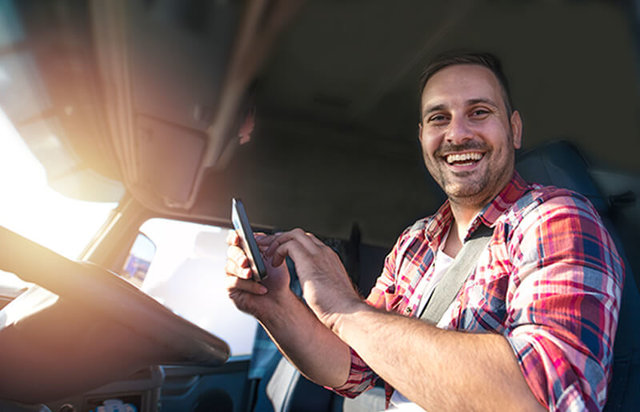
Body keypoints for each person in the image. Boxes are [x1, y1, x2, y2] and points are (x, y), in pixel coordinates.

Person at [225, 52, 624, 411]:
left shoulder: (556, 219)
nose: (457, 134)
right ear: (422, 137)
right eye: (439, 118)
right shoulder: (414, 242)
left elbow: (544, 399)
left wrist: (345, 308)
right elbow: (357, 365)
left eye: (479, 112)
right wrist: (274, 305)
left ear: (514, 130)